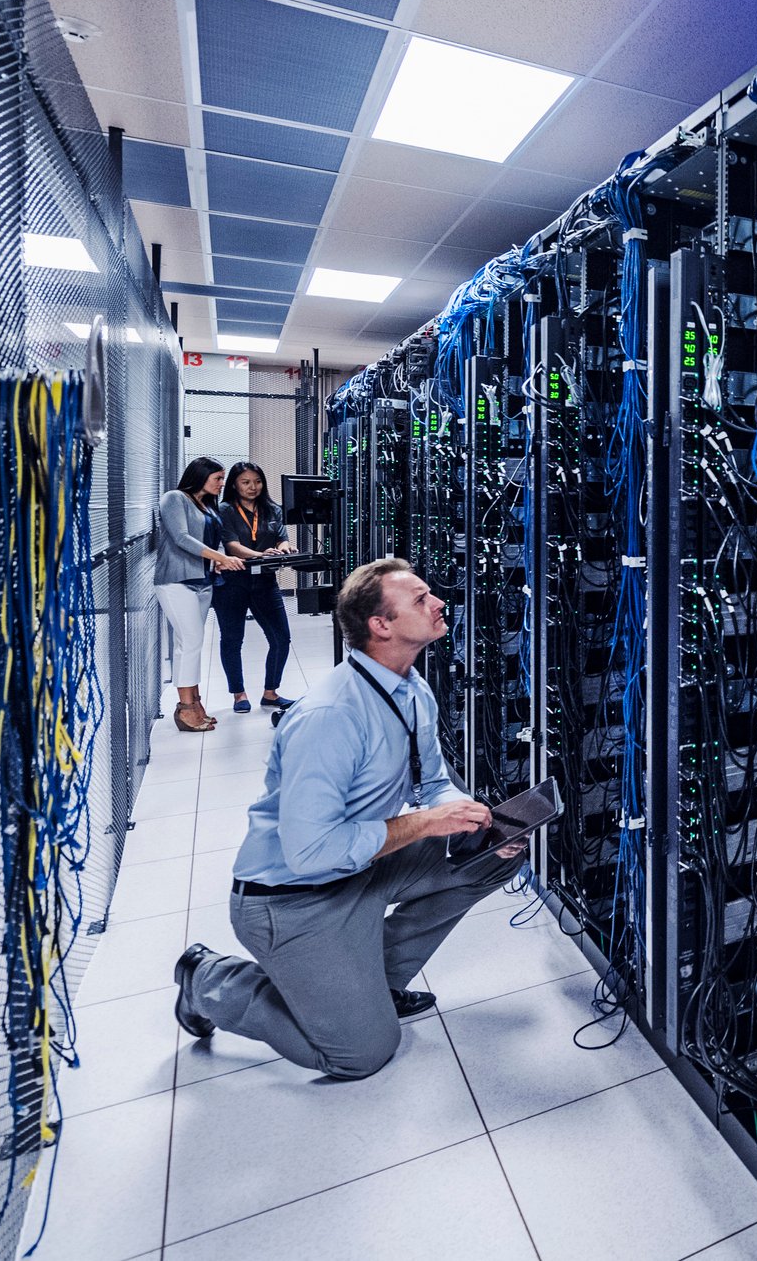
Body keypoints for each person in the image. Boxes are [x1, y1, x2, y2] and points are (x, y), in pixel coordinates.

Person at [171, 557, 524, 1081]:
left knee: (489, 859)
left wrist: (471, 820)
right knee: (360, 1055)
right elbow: (311, 853)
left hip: (360, 867)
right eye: (421, 599)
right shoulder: (330, 717)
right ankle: (211, 979)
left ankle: (375, 985)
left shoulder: (410, 688)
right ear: (381, 625)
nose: (438, 602)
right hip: (292, 899)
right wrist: (429, 823)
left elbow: (433, 782)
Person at [154, 457, 245, 732]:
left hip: (203, 582)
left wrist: (218, 560)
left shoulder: (207, 505)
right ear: (200, 476)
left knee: (190, 643)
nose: (222, 483)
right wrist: (220, 557)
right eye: (217, 478)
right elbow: (181, 537)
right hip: (176, 581)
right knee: (190, 642)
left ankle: (194, 703)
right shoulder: (174, 498)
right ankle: (185, 708)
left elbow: (212, 540)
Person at [215, 460, 298, 714]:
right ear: (234, 485)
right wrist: (260, 555)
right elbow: (231, 545)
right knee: (232, 639)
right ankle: (238, 694)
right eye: (246, 482)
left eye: (258, 481)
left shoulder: (272, 509)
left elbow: (281, 537)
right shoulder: (225, 510)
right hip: (232, 582)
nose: (253, 487)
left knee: (281, 638)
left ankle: (270, 693)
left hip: (264, 581)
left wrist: (285, 547)